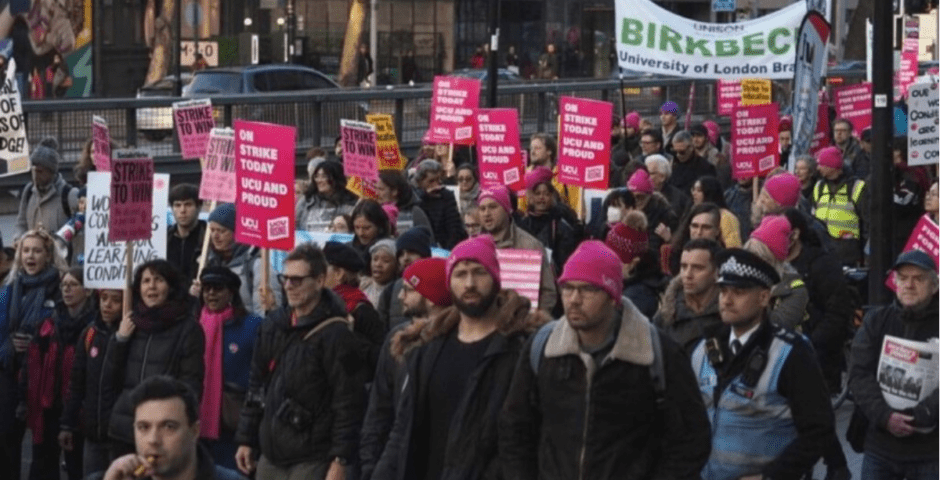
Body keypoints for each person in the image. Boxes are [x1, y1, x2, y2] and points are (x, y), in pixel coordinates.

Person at [499, 240, 711, 479]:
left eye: (588, 290)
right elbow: (515, 428)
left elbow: (691, 439)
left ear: (612, 297)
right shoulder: (542, 348)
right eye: (568, 288)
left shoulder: (657, 353)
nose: (574, 299)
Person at [371, 235, 548, 480]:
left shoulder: (520, 351)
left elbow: (527, 440)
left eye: (479, 272)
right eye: (460, 274)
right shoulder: (427, 349)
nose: (470, 283)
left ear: (496, 278)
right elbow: (403, 430)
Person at [692, 248, 836, 479]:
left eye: (738, 292)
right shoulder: (703, 350)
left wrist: (770, 477)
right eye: (723, 291)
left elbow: (818, 430)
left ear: (763, 297)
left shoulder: (791, 353)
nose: (727, 300)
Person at [234, 244, 367, 480]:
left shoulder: (337, 335)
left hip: (312, 459)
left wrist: (341, 460)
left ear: (319, 280)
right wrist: (246, 438)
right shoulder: (273, 325)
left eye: (297, 279)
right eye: (285, 278)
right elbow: (256, 386)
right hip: (270, 456)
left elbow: (348, 403)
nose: (288, 286)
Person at [849, 250, 938, 479]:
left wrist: (921, 415)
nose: (909, 285)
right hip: (881, 447)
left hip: (931, 452)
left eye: (918, 279)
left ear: (934, 286)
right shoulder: (877, 320)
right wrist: (885, 416)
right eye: (903, 278)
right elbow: (859, 374)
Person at [359, 258, 451, 480]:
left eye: (409, 290)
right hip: (394, 462)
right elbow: (379, 408)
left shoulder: (455, 344)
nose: (400, 296)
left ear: (430, 296)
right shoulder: (398, 339)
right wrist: (370, 464)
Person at [105, 260, 205, 457]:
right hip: (125, 430)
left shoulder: (187, 328)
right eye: (145, 281)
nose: (151, 286)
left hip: (161, 435)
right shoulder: (130, 323)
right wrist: (120, 340)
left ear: (171, 286)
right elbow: (110, 376)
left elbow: (191, 385)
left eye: (158, 280)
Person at [0, 229, 65, 479]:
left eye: (37, 250)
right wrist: (6, 345)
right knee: (6, 442)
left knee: (43, 448)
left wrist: (38, 343)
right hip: (10, 372)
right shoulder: (8, 289)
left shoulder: (60, 287)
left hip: (45, 377)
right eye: (25, 250)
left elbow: (65, 327)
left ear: (47, 255)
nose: (30, 256)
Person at [18, 267, 91, 480]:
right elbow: (30, 366)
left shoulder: (95, 326)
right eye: (64, 285)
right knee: (43, 466)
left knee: (76, 468)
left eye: (73, 285)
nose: (67, 290)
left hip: (79, 411)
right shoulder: (49, 324)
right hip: (49, 407)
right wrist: (25, 399)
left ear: (87, 290)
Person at [98, 376, 245, 480]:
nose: (153, 440)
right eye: (143, 427)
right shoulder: (114, 476)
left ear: (194, 431)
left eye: (169, 427)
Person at [196, 267, 263, 473]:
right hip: (201, 420)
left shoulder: (252, 325)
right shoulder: (194, 325)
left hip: (234, 422)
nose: (211, 294)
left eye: (217, 288)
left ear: (231, 293)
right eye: (206, 288)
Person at [61, 288, 123, 478]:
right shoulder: (89, 334)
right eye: (104, 298)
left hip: (120, 438)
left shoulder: (134, 336)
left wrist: (123, 340)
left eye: (115, 300)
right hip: (92, 435)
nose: (107, 305)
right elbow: (77, 383)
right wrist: (67, 425)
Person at [478, 185, 558, 313]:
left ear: (507, 209)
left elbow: (548, 292)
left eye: (493, 207)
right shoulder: (473, 248)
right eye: (482, 209)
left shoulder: (531, 246)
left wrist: (534, 320)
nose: (487, 213)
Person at [196, 203, 282, 317]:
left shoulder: (259, 267)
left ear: (237, 232)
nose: (215, 236)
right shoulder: (208, 263)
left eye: (221, 231)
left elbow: (265, 316)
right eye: (212, 230)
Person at [323, 241, 385, 378]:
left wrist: (350, 335)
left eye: (321, 269)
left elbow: (381, 358)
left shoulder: (361, 309)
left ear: (339, 274)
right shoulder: (319, 305)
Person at [655, 238, 723, 353]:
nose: (688, 274)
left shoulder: (729, 314)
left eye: (698, 268)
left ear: (716, 272)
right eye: (684, 267)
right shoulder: (667, 315)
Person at [744, 216, 809, 330]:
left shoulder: (795, 290)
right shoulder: (738, 279)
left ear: (774, 261)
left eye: (760, 258)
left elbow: (775, 326)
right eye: (749, 255)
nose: (752, 263)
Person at [812, 146, 870, 266]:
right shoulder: (819, 186)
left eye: (821, 164)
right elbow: (812, 219)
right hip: (822, 253)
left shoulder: (857, 187)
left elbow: (867, 224)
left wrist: (867, 256)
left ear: (831, 166)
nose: (818, 168)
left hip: (848, 255)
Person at [517, 167, 579, 276]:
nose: (541, 198)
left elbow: (565, 261)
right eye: (537, 193)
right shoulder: (523, 224)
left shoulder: (561, 226)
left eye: (546, 194)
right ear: (531, 196)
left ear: (552, 196)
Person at [604, 210, 667, 318]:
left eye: (615, 259)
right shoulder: (624, 283)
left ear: (634, 262)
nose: (607, 263)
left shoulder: (636, 298)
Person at [15, 137, 79, 241]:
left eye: (40, 171)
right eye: (33, 170)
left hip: (60, 256)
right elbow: (21, 223)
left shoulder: (69, 194)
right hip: (33, 255)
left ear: (51, 172)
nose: (35, 175)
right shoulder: (28, 192)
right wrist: (19, 240)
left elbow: (80, 230)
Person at [376, 227, 434, 331]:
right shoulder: (390, 291)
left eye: (412, 252)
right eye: (401, 254)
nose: (405, 258)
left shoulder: (438, 288)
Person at [414, 159, 467, 249]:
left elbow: (453, 226)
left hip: (445, 246)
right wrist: (425, 197)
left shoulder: (447, 196)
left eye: (438, 180)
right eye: (431, 181)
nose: (436, 184)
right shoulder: (416, 199)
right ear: (420, 182)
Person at [526, 132, 582, 216]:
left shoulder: (566, 174)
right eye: (531, 148)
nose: (532, 152)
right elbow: (522, 208)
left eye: (537, 148)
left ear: (549, 151)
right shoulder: (526, 175)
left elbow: (575, 207)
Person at [297, 160, 359, 232]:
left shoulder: (351, 204)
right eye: (316, 176)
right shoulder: (306, 200)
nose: (319, 180)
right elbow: (294, 224)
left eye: (324, 176)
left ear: (336, 178)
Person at [626, 169, 678, 254]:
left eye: (640, 197)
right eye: (632, 196)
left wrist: (669, 239)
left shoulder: (664, 213)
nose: (636, 201)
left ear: (649, 195)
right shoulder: (624, 208)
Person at [665, 202, 724, 276]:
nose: (699, 232)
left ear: (717, 231)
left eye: (706, 227)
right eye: (695, 226)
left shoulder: (723, 260)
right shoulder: (676, 253)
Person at [167, 184, 206, 287]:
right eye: (177, 205)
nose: (182, 210)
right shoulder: (165, 238)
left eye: (188, 205)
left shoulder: (208, 237)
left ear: (199, 207)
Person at [377, 170, 433, 236]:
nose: (377, 193)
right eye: (376, 188)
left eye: (381, 189)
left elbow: (428, 239)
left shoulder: (414, 212)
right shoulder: (378, 211)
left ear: (394, 191)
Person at [691, 176, 742, 248]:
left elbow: (734, 248)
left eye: (699, 190)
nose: (694, 193)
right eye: (693, 190)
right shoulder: (693, 212)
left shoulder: (726, 217)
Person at [644, 154, 691, 223]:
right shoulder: (640, 194)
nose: (645, 177)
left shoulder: (679, 199)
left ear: (662, 177)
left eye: (650, 173)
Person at [670, 130, 717, 195]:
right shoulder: (672, 165)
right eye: (675, 152)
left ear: (691, 147)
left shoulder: (705, 167)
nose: (678, 155)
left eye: (682, 152)